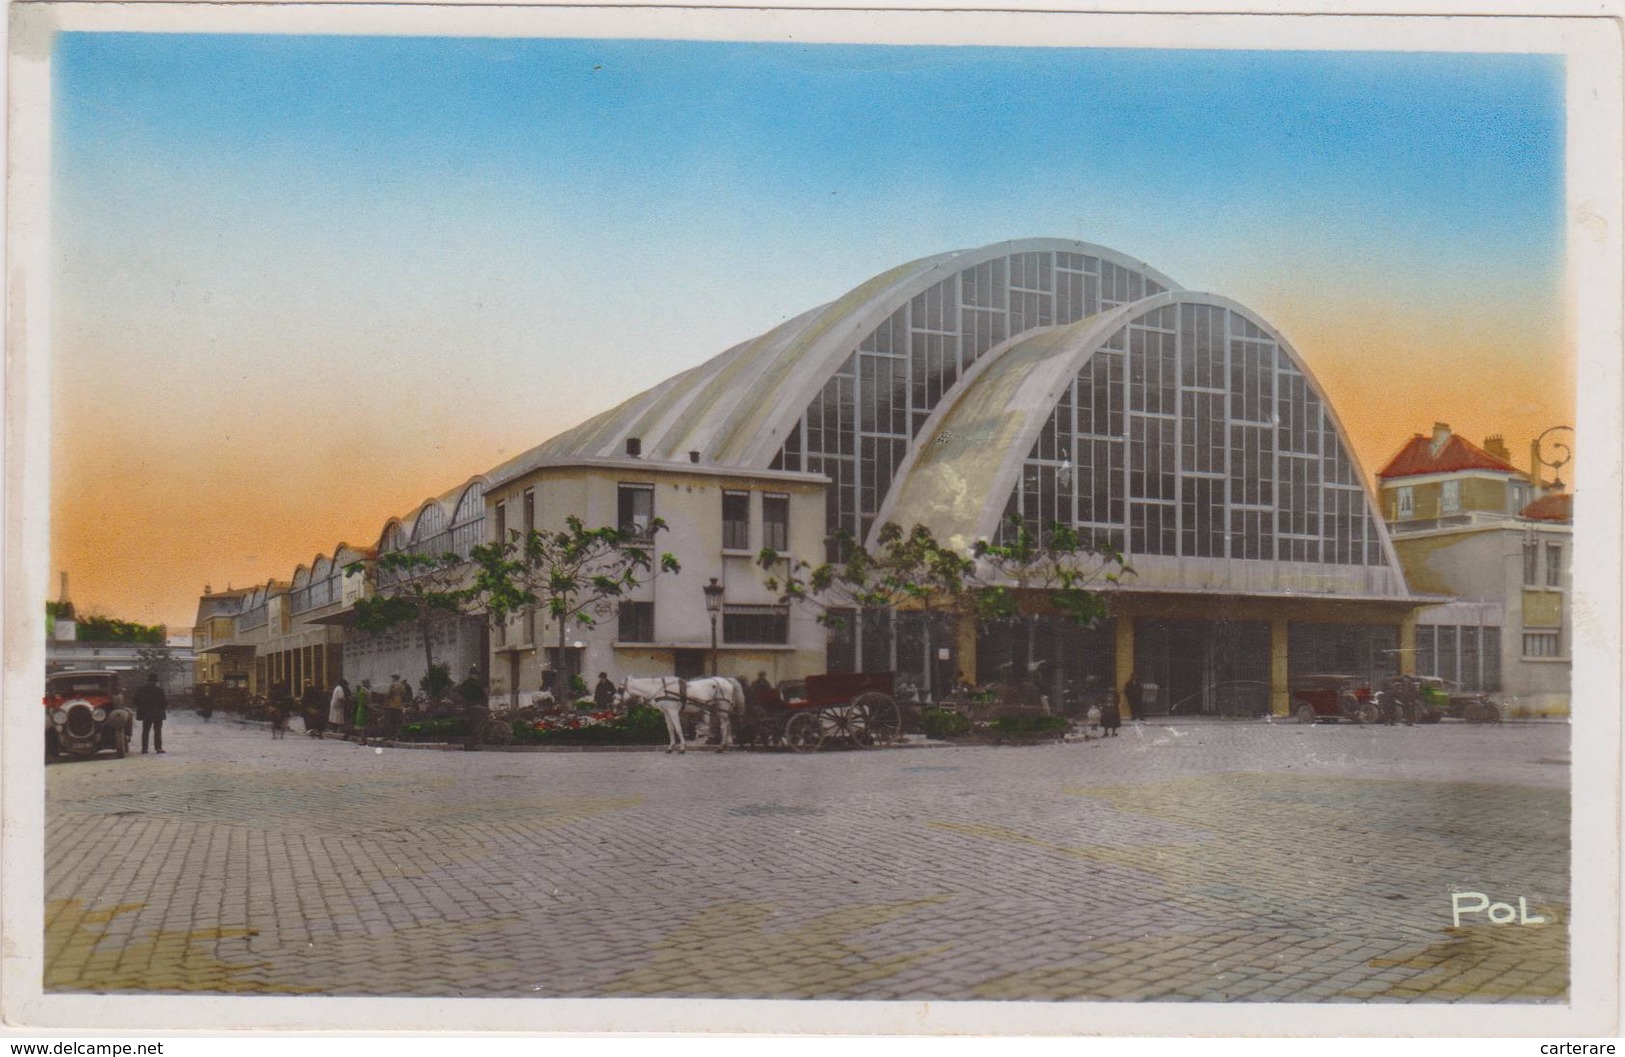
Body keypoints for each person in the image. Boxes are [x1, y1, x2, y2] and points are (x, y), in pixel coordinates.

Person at [133, 672, 168, 754]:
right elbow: (164, 702)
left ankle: (144, 748)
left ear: (148, 680)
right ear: (156, 681)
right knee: (157, 731)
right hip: (157, 713)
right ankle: (158, 748)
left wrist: (142, 707)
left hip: (146, 714)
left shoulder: (141, 689)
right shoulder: (159, 690)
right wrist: (161, 709)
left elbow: (135, 701)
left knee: (145, 731)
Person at [354, 679, 372, 745]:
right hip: (362, 710)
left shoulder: (366, 691)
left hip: (365, 710)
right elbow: (362, 703)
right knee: (361, 727)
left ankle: (364, 740)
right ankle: (363, 740)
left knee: (364, 726)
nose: (369, 684)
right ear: (365, 684)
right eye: (368, 683)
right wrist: (371, 707)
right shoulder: (362, 692)